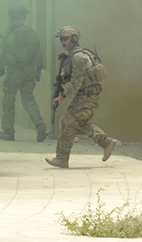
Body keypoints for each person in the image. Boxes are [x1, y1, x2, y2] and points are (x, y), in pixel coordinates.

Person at [46, 26, 118, 168]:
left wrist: (61, 97)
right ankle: (106, 143)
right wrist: (63, 78)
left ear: (74, 38)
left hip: (87, 95)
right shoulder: (73, 56)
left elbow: (76, 82)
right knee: (75, 124)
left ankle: (61, 158)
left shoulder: (78, 57)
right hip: (85, 94)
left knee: (68, 121)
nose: (63, 42)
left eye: (65, 39)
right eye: (61, 39)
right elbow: (75, 78)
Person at [0, 4, 47, 142]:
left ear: (11, 16)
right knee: (28, 99)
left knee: (8, 100)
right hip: (29, 71)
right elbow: (38, 52)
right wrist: (37, 68)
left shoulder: (7, 33)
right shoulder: (31, 32)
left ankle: (8, 132)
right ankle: (39, 123)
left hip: (13, 72)